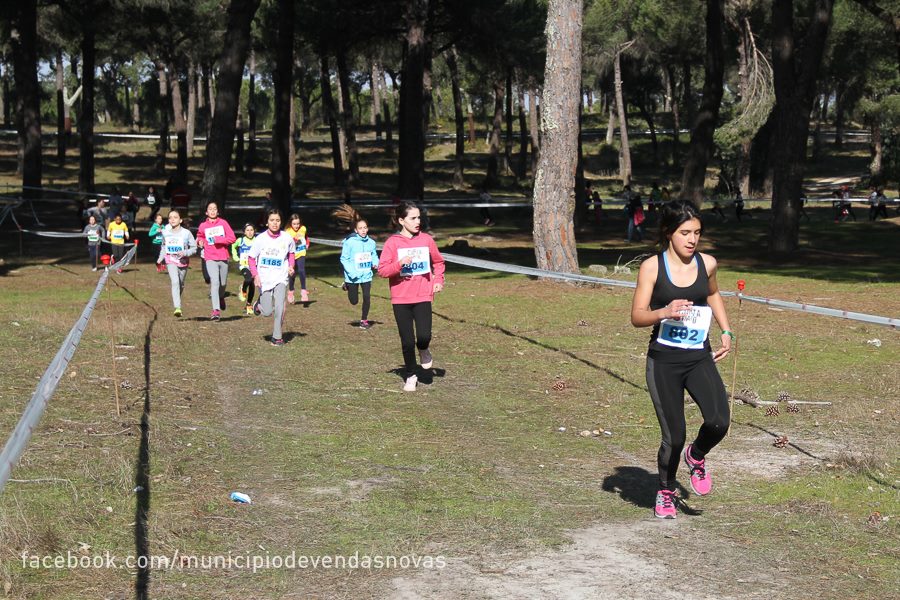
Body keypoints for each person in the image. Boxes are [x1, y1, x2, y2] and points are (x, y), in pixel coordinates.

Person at [630, 200, 733, 519]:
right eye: (685, 232)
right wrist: (665, 311)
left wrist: (726, 331)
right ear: (669, 233)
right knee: (673, 436)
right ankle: (664, 491)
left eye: (697, 233)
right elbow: (636, 316)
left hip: (698, 356)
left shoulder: (708, 264)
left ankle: (697, 456)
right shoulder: (652, 267)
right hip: (664, 362)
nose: (692, 239)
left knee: (719, 421)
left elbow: (713, 293)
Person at [377, 202, 446, 392]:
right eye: (413, 218)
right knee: (407, 341)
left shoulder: (426, 240)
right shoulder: (393, 243)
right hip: (401, 298)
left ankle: (423, 349)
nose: (418, 221)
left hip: (423, 294)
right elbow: (382, 271)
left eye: (419, 217)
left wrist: (438, 280)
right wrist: (399, 264)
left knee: (423, 336)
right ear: (401, 220)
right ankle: (410, 374)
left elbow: (439, 262)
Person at [248, 209, 296, 346]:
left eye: (278, 220)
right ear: (267, 222)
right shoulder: (260, 239)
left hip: (281, 277)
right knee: (268, 311)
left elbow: (291, 254)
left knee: (280, 306)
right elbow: (251, 259)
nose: (275, 223)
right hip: (264, 279)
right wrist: (255, 275)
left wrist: (291, 266)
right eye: (272, 220)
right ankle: (259, 305)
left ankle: (277, 336)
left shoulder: (287, 238)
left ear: (281, 222)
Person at [196, 201, 236, 320]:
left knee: (223, 284)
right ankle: (216, 310)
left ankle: (221, 296)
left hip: (223, 257)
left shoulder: (223, 223)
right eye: (210, 209)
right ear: (206, 212)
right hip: (210, 257)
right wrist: (199, 241)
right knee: (215, 282)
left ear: (217, 211)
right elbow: (199, 236)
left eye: (214, 209)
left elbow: (232, 238)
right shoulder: (203, 225)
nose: (212, 211)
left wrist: (219, 239)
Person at [340, 212, 379, 329]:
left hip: (366, 275)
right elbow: (344, 258)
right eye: (360, 228)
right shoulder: (349, 242)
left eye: (365, 228)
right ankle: (346, 285)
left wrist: (376, 263)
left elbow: (374, 255)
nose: (363, 230)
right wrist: (351, 272)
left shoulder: (371, 243)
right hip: (353, 276)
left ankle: (364, 320)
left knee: (367, 297)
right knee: (354, 301)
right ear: (356, 230)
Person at [156, 210, 197, 317]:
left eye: (175, 217)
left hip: (183, 262)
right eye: (170, 217)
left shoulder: (186, 233)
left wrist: (185, 252)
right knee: (175, 282)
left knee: (180, 284)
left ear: (180, 220)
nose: (172, 219)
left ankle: (177, 297)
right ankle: (177, 307)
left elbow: (194, 248)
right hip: (171, 260)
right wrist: (160, 259)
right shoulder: (166, 233)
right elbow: (164, 247)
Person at [231, 223, 258, 316]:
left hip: (254, 266)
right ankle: (243, 288)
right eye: (247, 230)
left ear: (254, 231)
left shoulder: (257, 240)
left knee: (252, 285)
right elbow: (233, 246)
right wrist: (235, 256)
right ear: (244, 232)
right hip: (244, 265)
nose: (250, 232)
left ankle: (249, 305)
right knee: (248, 279)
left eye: (251, 230)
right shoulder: (241, 240)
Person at [284, 214, 310, 304]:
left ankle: (304, 291)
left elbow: (306, 237)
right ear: (290, 223)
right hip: (291, 255)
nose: (296, 226)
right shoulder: (287, 232)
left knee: (302, 270)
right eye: (294, 224)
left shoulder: (303, 228)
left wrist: (307, 244)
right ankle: (291, 292)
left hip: (301, 253)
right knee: (292, 274)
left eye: (298, 223)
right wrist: (294, 240)